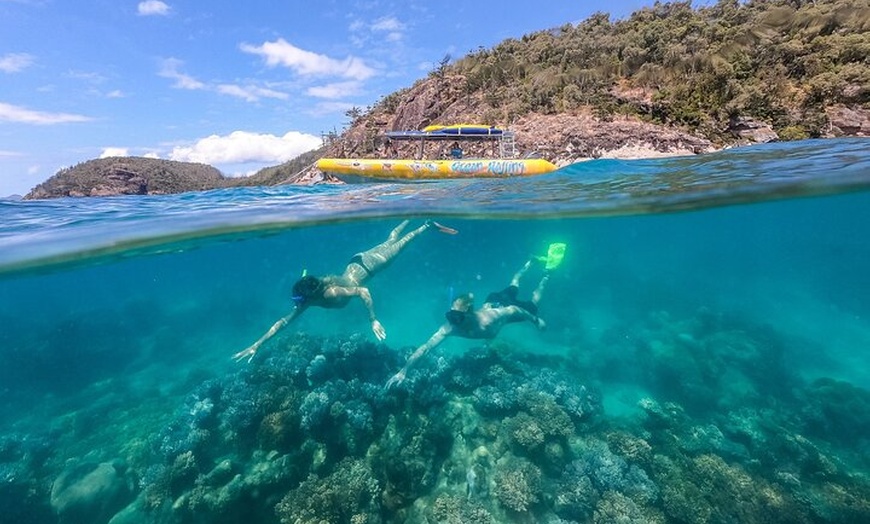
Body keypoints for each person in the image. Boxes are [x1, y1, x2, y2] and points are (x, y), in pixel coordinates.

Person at [233, 220, 457, 363]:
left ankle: (426, 224)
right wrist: (257, 344)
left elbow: (363, 291)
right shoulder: (311, 292)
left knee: (400, 245)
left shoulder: (331, 294)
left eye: (300, 299)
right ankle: (409, 215)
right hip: (356, 260)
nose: (298, 304)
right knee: (389, 240)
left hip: (370, 266)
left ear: (311, 295)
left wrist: (373, 320)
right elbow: (285, 321)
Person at [385, 247, 563, 389]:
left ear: (468, 313)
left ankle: (546, 275)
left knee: (532, 302)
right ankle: (530, 262)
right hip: (492, 300)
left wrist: (535, 320)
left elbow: (514, 309)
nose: (453, 321)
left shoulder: (490, 320)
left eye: (457, 317)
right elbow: (425, 348)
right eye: (451, 315)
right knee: (513, 283)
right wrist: (404, 371)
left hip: (502, 307)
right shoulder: (450, 327)